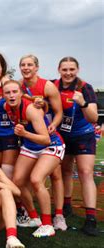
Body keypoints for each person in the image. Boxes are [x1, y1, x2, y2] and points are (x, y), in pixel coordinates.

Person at [3, 80, 65, 237]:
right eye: (7, 92)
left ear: (20, 93)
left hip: (51, 145)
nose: (11, 95)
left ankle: (48, 225)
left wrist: (24, 134)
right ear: (3, 95)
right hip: (31, 146)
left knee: (36, 179)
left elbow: (46, 139)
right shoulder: (6, 107)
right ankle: (33, 217)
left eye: (14, 92)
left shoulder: (31, 109)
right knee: (17, 181)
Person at [18, 55, 65, 230]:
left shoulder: (47, 86)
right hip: (30, 140)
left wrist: (53, 124)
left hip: (49, 137)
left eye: (30, 65)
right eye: (23, 65)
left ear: (37, 67)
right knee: (22, 180)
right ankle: (33, 216)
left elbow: (59, 111)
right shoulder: (18, 87)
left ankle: (57, 216)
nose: (26, 68)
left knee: (53, 176)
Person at [53, 57, 99, 236]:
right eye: (65, 69)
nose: (68, 73)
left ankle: (90, 218)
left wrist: (83, 103)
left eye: (72, 69)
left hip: (82, 134)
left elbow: (93, 118)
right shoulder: (54, 85)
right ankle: (66, 206)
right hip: (62, 135)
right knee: (64, 171)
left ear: (77, 70)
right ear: (59, 70)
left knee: (85, 173)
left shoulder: (84, 88)